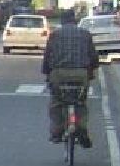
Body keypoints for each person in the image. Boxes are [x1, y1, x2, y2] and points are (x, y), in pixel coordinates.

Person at [42, 11, 100, 148]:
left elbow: (47, 56)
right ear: (74, 20)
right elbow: (93, 57)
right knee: (81, 102)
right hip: (81, 73)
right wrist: (91, 71)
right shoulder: (85, 34)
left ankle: (57, 131)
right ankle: (82, 129)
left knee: (56, 102)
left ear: (62, 21)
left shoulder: (55, 35)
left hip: (59, 74)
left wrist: (46, 73)